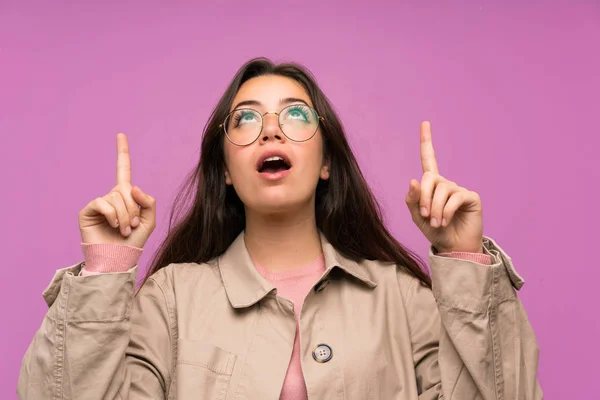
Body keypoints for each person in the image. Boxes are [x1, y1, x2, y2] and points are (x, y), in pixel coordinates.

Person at [17, 58, 542, 399]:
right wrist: (105, 269)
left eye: (295, 115)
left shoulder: (401, 299)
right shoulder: (172, 299)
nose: (270, 128)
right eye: (245, 119)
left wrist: (465, 260)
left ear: (326, 162)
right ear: (225, 169)